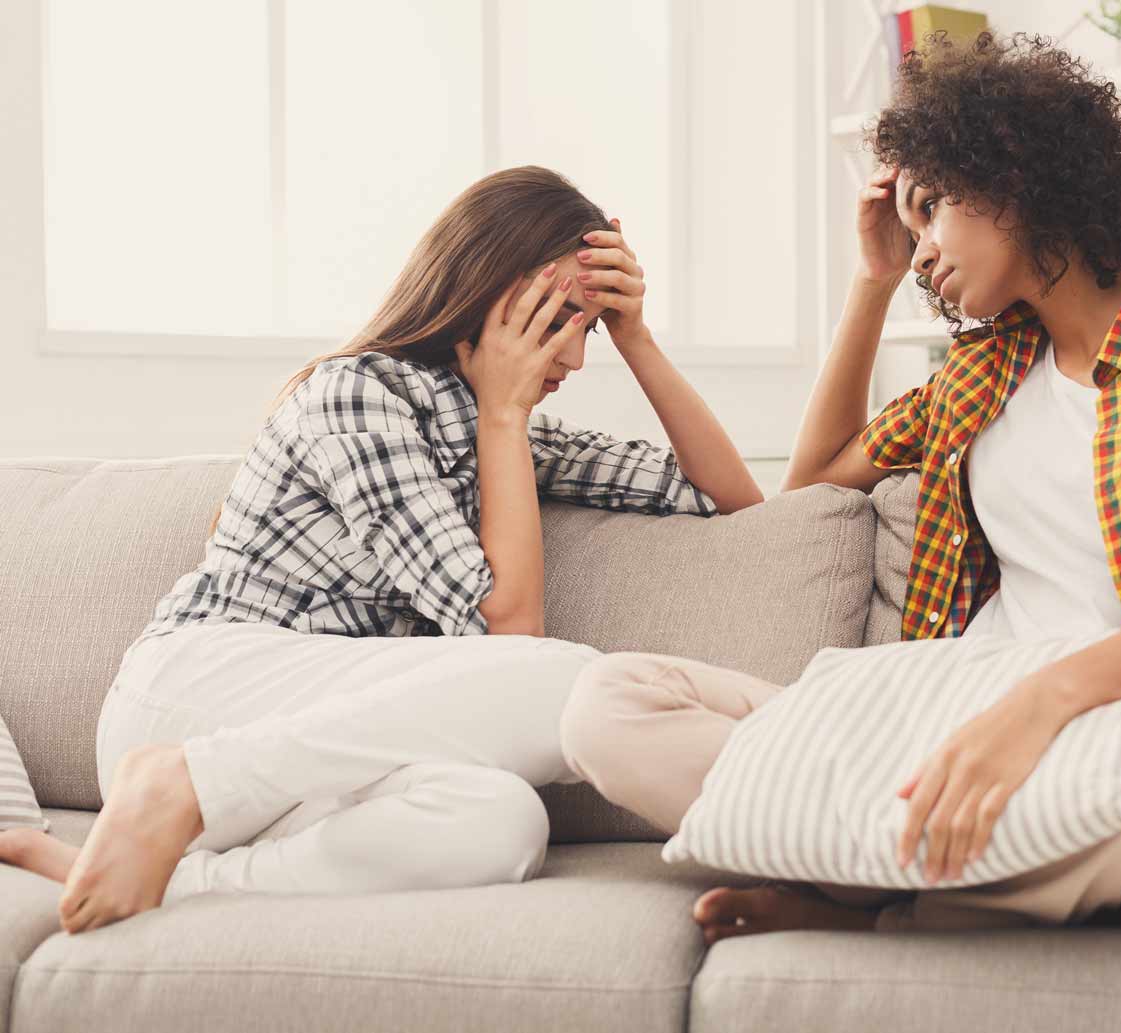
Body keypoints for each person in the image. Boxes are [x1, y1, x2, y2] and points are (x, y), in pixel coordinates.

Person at [557, 31, 1121, 942]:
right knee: (608, 705)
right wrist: (872, 279)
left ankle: (878, 892)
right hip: (952, 720)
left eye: (931, 209)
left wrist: (1040, 707)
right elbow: (814, 482)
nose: (923, 248)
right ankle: (1061, 885)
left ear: (1012, 174)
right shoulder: (981, 374)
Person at [0, 166, 762, 935]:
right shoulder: (358, 394)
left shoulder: (513, 438)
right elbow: (509, 633)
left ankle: (178, 879)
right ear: (491, 290)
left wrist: (636, 337)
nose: (573, 357)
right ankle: (183, 782)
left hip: (318, 757)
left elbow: (729, 497)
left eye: (587, 328)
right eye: (560, 316)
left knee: (501, 821)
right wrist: (502, 414)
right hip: (198, 693)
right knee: (566, 677)